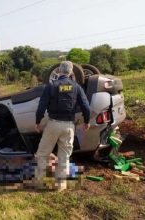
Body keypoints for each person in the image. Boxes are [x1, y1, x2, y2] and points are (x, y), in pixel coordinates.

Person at [34, 61, 90, 191]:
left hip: (53, 124)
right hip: (69, 126)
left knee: (42, 153)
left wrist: (38, 122)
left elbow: (41, 106)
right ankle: (60, 186)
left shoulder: (51, 86)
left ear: (59, 71)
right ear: (71, 72)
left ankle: (39, 182)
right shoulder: (76, 87)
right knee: (64, 156)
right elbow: (86, 107)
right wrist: (87, 121)